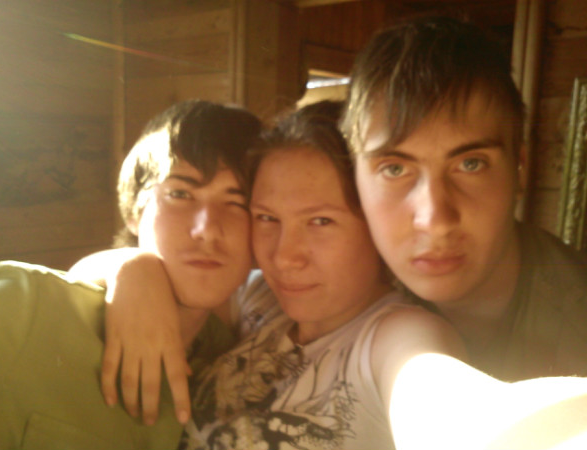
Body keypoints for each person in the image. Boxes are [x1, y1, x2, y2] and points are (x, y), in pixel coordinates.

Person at [86, 100, 466, 449]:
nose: (284, 258)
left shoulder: (397, 337)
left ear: (376, 222)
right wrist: (132, 269)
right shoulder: (260, 298)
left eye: (320, 221)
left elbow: (447, 404)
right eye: (267, 218)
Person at [0, 96, 261, 449]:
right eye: (180, 193)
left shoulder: (232, 358)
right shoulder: (20, 311)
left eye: (236, 202)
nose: (207, 229)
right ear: (134, 212)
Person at [341, 15, 587, 382]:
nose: (435, 221)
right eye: (394, 169)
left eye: (470, 164)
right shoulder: (335, 292)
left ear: (520, 169)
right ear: (355, 178)